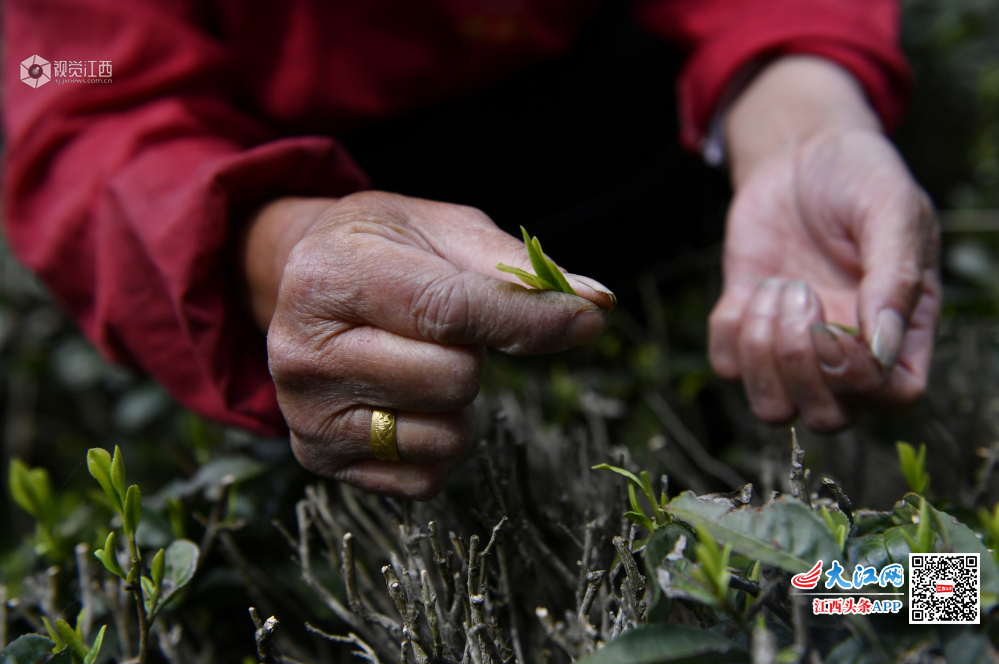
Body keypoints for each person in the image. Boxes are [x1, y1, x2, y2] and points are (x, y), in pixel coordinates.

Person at [2, 0, 938, 499]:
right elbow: (84, 95)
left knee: (849, 579)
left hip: (664, 128)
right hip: (340, 222)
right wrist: (278, 246)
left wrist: (799, 115)